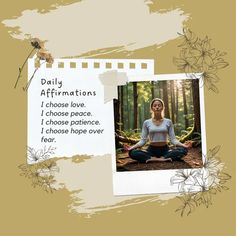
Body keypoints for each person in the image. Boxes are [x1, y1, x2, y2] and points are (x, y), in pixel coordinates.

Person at [124, 98, 191, 164]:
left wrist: (184, 145)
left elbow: (173, 140)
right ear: (152, 108)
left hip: (165, 149)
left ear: (162, 107)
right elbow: (143, 141)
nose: (157, 107)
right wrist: (131, 147)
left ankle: (154, 158)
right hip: (151, 150)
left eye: (159, 105)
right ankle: (162, 158)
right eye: (155, 105)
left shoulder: (168, 121)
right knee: (132, 152)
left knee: (183, 150)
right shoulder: (147, 122)